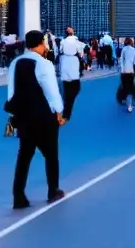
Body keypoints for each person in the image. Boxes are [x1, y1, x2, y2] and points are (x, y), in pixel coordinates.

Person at [7, 30, 66, 209]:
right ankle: (53, 190)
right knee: (51, 155)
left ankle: (18, 196)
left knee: (24, 155)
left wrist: (14, 113)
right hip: (43, 116)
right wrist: (59, 111)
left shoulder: (15, 63)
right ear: (41, 43)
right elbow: (51, 91)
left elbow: (11, 92)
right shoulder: (44, 64)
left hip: (23, 116)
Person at [57, 26, 85, 121]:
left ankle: (64, 109)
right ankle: (66, 110)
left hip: (65, 63)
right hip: (73, 62)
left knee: (67, 88)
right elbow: (81, 52)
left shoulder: (63, 41)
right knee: (75, 88)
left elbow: (60, 51)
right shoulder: (76, 40)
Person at [118, 37, 135, 112]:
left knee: (126, 88)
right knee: (132, 88)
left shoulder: (124, 50)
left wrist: (122, 70)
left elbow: (121, 61)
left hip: (124, 72)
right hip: (133, 72)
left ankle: (128, 104)